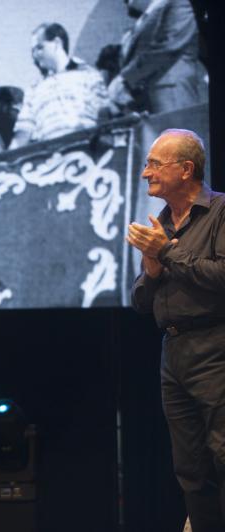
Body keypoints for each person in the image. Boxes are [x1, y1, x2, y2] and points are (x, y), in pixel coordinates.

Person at [128, 129, 225, 532]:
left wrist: (166, 251)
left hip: (216, 347)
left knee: (223, 453)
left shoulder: (220, 212)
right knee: (189, 466)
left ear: (186, 170)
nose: (145, 173)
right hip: (174, 352)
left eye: (154, 164)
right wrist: (151, 272)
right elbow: (139, 302)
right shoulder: (161, 223)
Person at [9, 22, 110, 149]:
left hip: (87, 153)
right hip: (51, 159)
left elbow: (104, 116)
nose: (35, 55)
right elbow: (23, 133)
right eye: (33, 51)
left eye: (40, 48)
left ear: (57, 43)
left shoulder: (89, 75)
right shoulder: (34, 89)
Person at [108, 0, 207, 115]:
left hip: (170, 91)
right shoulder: (147, 16)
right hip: (149, 97)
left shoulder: (179, 3)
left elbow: (168, 47)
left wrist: (126, 78)